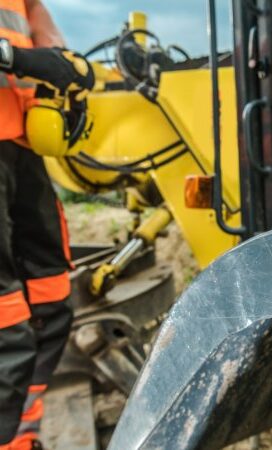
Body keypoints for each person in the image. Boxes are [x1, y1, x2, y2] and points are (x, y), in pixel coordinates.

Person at [0, 1, 94, 448]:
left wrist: (60, 65)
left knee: (50, 292)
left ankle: (22, 429)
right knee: (5, 315)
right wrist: (14, 57)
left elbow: (34, 17)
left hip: (21, 137)